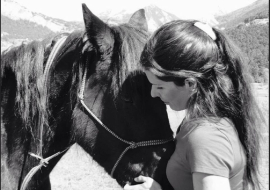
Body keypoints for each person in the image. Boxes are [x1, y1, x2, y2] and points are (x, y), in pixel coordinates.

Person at [124, 20, 265, 190]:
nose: (153, 93)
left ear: (191, 84)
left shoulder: (206, 138)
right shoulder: (201, 120)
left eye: (159, 86)